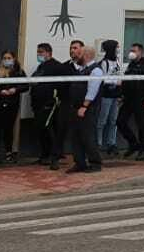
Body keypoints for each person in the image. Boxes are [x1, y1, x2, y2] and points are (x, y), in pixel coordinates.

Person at [30, 42, 74, 168]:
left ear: (48, 53)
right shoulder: (41, 67)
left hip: (49, 105)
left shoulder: (56, 67)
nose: (39, 55)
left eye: (41, 52)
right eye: (38, 52)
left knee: (48, 130)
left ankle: (53, 155)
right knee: (41, 130)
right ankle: (44, 155)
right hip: (38, 104)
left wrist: (54, 99)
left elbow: (61, 85)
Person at [67, 44, 104, 172]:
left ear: (87, 55)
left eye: (80, 53)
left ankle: (95, 163)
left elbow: (92, 90)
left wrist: (84, 106)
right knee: (76, 136)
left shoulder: (96, 70)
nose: (77, 55)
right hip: (76, 108)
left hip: (88, 108)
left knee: (88, 136)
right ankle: (80, 163)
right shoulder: (81, 69)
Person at [118, 41, 144, 160]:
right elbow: (126, 81)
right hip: (128, 99)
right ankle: (133, 144)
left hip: (140, 99)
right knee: (120, 122)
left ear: (141, 52)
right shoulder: (131, 65)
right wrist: (121, 95)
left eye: (134, 51)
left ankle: (142, 150)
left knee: (141, 125)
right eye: (131, 51)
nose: (131, 53)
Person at [0, 51, 25, 164]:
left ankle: (9, 152)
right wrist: (0, 91)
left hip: (12, 103)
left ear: (14, 59)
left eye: (9, 58)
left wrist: (15, 90)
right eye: (4, 58)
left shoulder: (18, 70)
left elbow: (26, 85)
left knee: (9, 128)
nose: (7, 60)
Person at [94, 39, 123, 154]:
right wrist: (115, 82)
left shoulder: (117, 62)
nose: (118, 49)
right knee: (102, 120)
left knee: (113, 120)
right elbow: (103, 79)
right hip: (106, 95)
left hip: (116, 95)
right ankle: (98, 143)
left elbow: (120, 75)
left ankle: (111, 143)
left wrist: (120, 92)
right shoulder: (104, 63)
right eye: (117, 47)